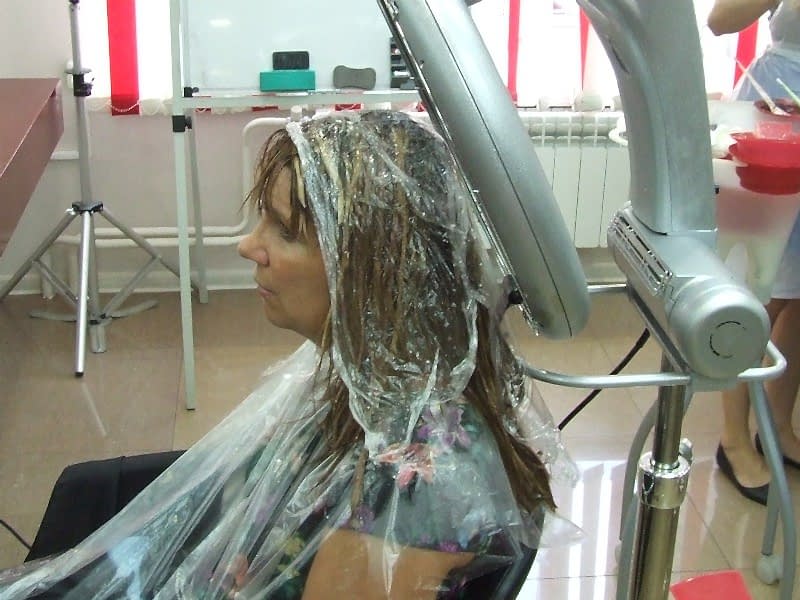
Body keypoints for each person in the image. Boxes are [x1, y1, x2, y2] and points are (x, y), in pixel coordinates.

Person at [0, 111, 576, 598]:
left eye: (285, 231)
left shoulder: (414, 486)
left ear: (373, 268)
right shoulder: (367, 382)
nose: (247, 246)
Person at [708, 0, 800, 505]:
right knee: (758, 289)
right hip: (778, 115)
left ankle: (777, 426)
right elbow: (721, 20)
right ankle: (733, 439)